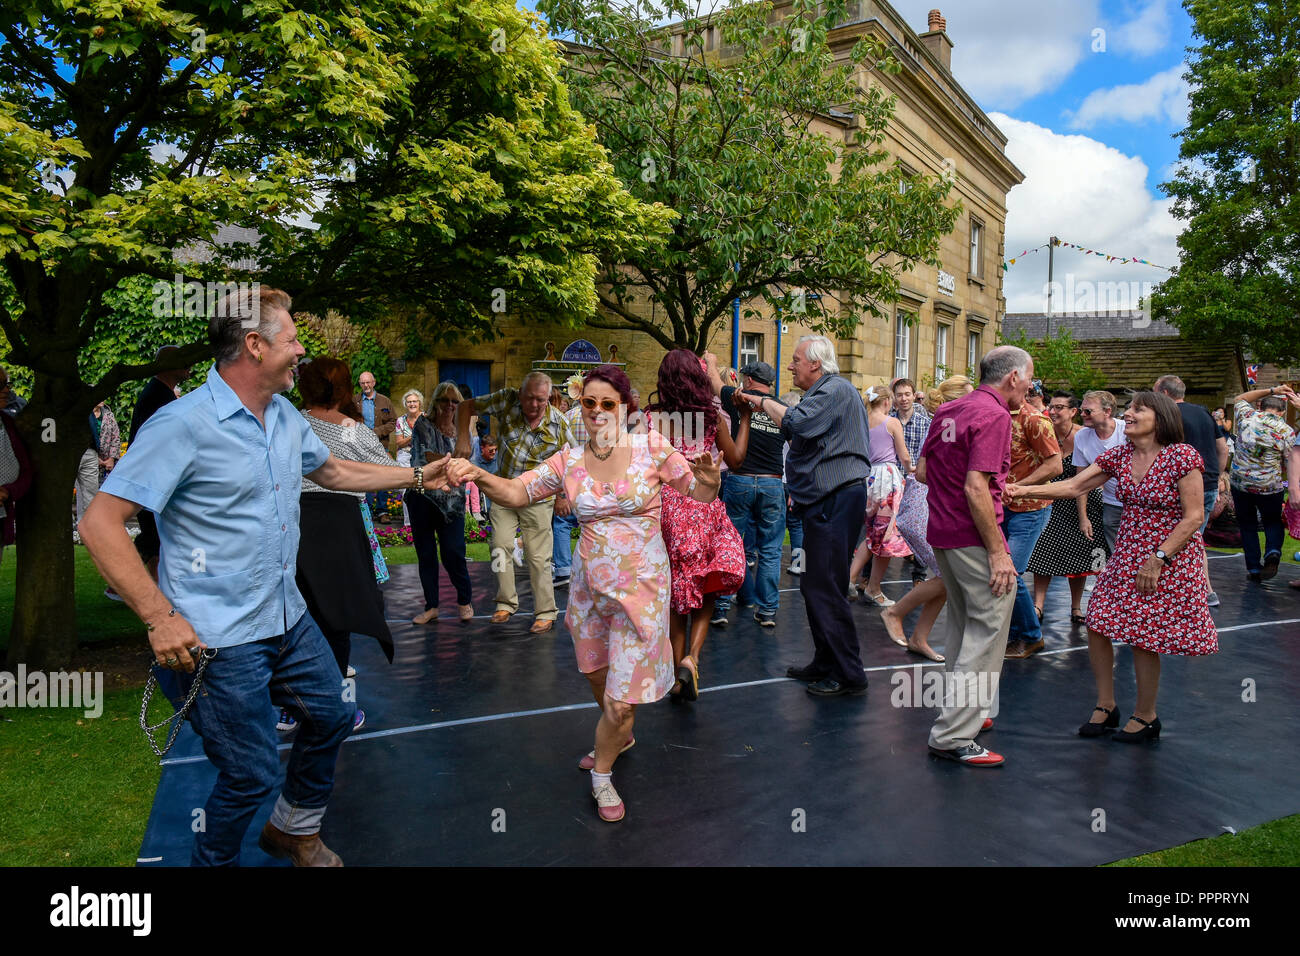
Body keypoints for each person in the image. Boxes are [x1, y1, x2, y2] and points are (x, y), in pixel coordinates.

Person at [79, 286, 447, 866]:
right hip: (219, 640)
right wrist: (158, 617)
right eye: (293, 338)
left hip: (287, 616)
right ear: (254, 345)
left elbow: (333, 471)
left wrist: (418, 477)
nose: (302, 349)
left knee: (330, 716)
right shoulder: (183, 425)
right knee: (250, 774)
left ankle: (294, 829)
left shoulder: (284, 417)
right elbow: (101, 521)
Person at [445, 365, 720, 822]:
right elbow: (516, 492)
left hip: (642, 596)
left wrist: (709, 478)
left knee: (619, 702)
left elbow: (700, 493)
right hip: (589, 592)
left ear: (625, 407)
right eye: (588, 402)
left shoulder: (651, 447)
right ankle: (619, 734)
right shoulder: (568, 460)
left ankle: (604, 775)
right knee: (596, 676)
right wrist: (477, 472)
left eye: (607, 403)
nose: (596, 411)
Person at [1008, 391, 1217, 742]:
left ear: (1160, 418)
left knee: (1143, 637)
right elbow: (1074, 485)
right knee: (1098, 621)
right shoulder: (1121, 454)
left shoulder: (1182, 456)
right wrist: (1018, 490)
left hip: (1167, 558)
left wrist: (1158, 558)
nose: (1129, 414)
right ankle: (1106, 705)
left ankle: (1146, 716)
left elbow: (1194, 516)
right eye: (1130, 409)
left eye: (1138, 409)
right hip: (1126, 553)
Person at [915, 345, 1034, 767]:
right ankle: (953, 734)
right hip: (970, 534)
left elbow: (924, 471)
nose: (1030, 388)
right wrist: (999, 552)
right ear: (1013, 377)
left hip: (943, 531)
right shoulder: (996, 414)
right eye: (1030, 379)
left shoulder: (950, 409)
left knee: (965, 625)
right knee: (987, 629)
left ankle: (966, 714)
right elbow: (976, 487)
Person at [738, 335, 872, 697]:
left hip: (836, 501)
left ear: (815, 363)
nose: (791, 366)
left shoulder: (835, 390)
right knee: (815, 585)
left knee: (826, 586)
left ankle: (849, 673)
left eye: (796, 359)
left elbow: (796, 424)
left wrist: (763, 400)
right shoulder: (826, 393)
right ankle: (826, 660)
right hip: (825, 501)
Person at [295, 357, 398, 734]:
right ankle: (334, 708)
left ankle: (293, 708)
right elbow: (384, 474)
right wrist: (418, 477)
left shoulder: (290, 422)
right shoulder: (353, 431)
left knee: (296, 616)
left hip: (295, 527)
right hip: (338, 528)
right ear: (343, 389)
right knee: (335, 621)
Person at [650, 350, 749, 699]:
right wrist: (745, 419)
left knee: (676, 593)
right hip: (702, 504)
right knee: (706, 582)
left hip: (665, 509)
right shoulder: (711, 418)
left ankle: (679, 674)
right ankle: (692, 658)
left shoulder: (652, 419)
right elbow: (735, 460)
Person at [454, 372, 576, 633]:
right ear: (519, 393)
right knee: (499, 546)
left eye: (540, 400)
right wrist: (463, 437)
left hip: (539, 495)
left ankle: (545, 611)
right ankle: (506, 603)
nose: (534, 405)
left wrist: (563, 495)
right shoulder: (506, 401)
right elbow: (466, 406)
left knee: (538, 555)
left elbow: (574, 462)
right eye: (529, 398)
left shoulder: (560, 424)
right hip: (505, 489)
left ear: (549, 398)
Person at [884, 375, 974, 662]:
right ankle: (895, 611)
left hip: (925, 506)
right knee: (951, 576)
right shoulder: (948, 424)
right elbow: (929, 469)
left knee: (946, 577)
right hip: (925, 509)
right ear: (955, 399)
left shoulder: (943, 423)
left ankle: (919, 637)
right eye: (970, 396)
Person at [706, 357, 785, 627]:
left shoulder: (739, 398)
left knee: (730, 543)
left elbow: (715, 383)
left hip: (739, 480)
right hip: (772, 483)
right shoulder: (781, 408)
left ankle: (720, 607)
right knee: (771, 550)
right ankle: (767, 611)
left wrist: (710, 361)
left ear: (749, 380)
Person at [1026, 391, 1105, 625]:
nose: (1053, 411)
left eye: (1060, 407)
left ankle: (1076, 607)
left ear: (1073, 412)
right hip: (1048, 500)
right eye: (1052, 406)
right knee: (1043, 552)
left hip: (1082, 501)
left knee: (1080, 556)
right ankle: (1038, 605)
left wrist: (1084, 516)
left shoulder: (1084, 436)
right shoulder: (1043, 431)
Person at [1154, 375, 1231, 606]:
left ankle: (1199, 591)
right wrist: (1217, 476)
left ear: (1165, 394)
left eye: (1154, 393)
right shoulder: (1204, 413)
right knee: (1194, 537)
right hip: (1207, 483)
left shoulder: (1167, 417)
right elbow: (1223, 449)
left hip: (1181, 486)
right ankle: (1206, 591)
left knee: (1182, 538)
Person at [1001, 380, 1062, 659]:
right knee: (999, 573)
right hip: (1000, 507)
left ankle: (1032, 635)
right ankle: (1013, 633)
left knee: (1011, 573)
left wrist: (1019, 486)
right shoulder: (995, 414)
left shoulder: (1035, 420)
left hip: (1030, 508)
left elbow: (1055, 465)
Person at [408, 382, 474, 624]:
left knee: (453, 552)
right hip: (422, 498)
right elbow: (424, 459)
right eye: (444, 400)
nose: (449, 405)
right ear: (435, 402)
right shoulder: (423, 425)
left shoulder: (463, 429)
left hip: (452, 501)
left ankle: (465, 599)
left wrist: (449, 462)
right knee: (426, 555)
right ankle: (431, 606)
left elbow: (468, 462)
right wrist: (454, 461)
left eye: (454, 401)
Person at [128, 346, 193, 579]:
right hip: (154, 477)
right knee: (154, 537)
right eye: (184, 361)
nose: (190, 366)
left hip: (152, 475)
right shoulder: (158, 397)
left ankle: (141, 584)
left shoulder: (158, 394)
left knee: (152, 539)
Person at [848, 386, 912, 605]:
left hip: (868, 478)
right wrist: (913, 469)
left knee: (870, 532)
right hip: (887, 478)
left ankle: (851, 578)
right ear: (886, 401)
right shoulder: (891, 423)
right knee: (885, 535)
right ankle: (874, 588)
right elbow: (903, 456)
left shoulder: (862, 423)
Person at [1227, 384, 1296, 582]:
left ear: (1260, 406)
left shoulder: (1247, 417)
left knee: (1247, 524)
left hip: (1241, 483)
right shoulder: (1286, 430)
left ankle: (1254, 568)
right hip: (1269, 484)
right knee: (1272, 521)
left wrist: (1273, 390)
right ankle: (1273, 552)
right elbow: (1288, 460)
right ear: (1282, 412)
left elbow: (1240, 397)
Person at [1072, 390, 1128, 554]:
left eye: (1088, 411)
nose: (1082, 414)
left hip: (1136, 503)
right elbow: (1080, 481)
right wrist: (1083, 517)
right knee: (1116, 554)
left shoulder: (1126, 432)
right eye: (1082, 410)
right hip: (1111, 503)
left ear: (1107, 411)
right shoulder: (1082, 436)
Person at [0, 367, 32, 565]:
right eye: (0, 385)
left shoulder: (8, 424)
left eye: (6, 384)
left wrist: (7, 491)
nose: (7, 390)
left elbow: (26, 471)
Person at [356, 371, 397, 523]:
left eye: (368, 382)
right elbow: (347, 420)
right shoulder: (355, 401)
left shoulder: (385, 401)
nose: (366, 385)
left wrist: (377, 432)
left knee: (383, 478)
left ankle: (382, 511)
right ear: (360, 384)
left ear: (373, 383)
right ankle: (366, 510)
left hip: (381, 445)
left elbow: (393, 422)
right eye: (363, 383)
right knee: (364, 478)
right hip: (361, 446)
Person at [393, 389, 423, 526]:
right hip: (405, 456)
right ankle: (408, 523)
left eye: (414, 401)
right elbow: (399, 442)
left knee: (420, 487)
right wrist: (413, 436)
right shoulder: (400, 420)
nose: (412, 404)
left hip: (421, 457)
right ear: (405, 404)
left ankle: (422, 521)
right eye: (409, 402)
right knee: (406, 489)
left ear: (419, 403)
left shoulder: (426, 418)